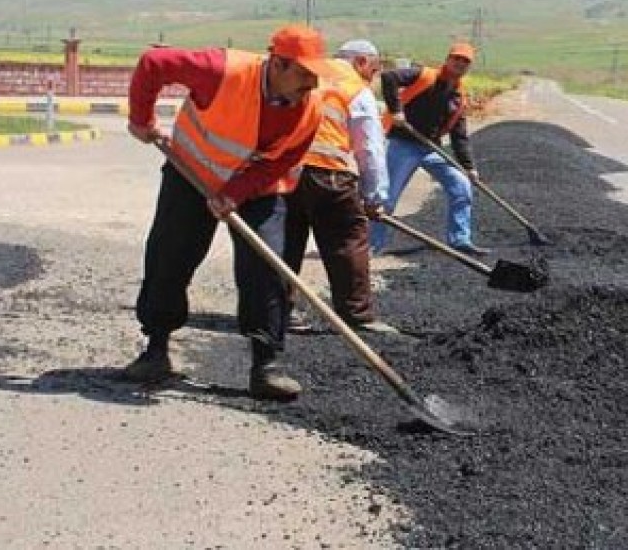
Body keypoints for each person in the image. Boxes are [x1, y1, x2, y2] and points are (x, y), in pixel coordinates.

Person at [122, 24, 348, 402]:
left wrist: (235, 192)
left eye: (315, 76)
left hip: (256, 188)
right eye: (304, 75)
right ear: (278, 63)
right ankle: (156, 349)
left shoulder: (312, 106)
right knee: (169, 256)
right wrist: (140, 119)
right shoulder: (220, 70)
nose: (311, 85)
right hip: (190, 174)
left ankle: (266, 365)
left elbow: (287, 157)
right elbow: (153, 62)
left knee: (267, 264)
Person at [281, 39, 391, 332]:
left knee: (286, 241)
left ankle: (278, 312)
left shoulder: (309, 75)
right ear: (362, 62)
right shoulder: (356, 88)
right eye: (374, 69)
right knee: (348, 241)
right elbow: (370, 147)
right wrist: (374, 196)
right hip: (328, 173)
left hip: (285, 170)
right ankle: (356, 316)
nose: (373, 76)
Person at [369, 41, 488, 256]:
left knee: (461, 187)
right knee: (388, 197)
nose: (460, 64)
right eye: (457, 59)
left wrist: (469, 167)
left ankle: (460, 240)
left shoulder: (458, 97)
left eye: (465, 61)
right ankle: (371, 245)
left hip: (431, 148)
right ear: (448, 59)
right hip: (403, 144)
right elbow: (389, 77)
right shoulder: (424, 75)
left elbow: (459, 135)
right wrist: (396, 111)